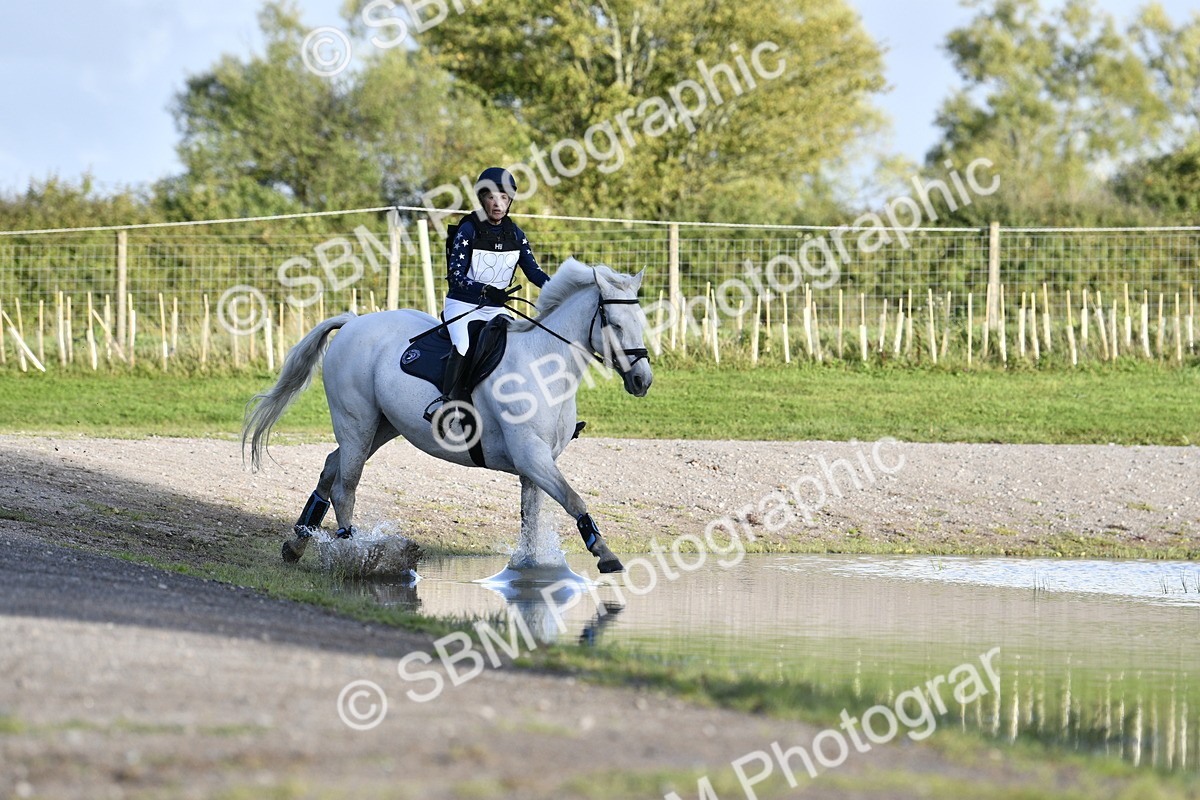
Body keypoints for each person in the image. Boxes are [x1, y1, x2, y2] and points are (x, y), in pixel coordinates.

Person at [437, 166, 550, 407]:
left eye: (504, 198)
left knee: (517, 348)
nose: (497, 204)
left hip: (495, 309)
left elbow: (534, 272)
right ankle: (446, 402)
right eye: (491, 197)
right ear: (482, 199)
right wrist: (485, 290)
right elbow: (455, 276)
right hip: (462, 305)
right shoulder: (468, 229)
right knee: (463, 345)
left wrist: (559, 289)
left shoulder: (515, 234)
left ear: (510, 201)